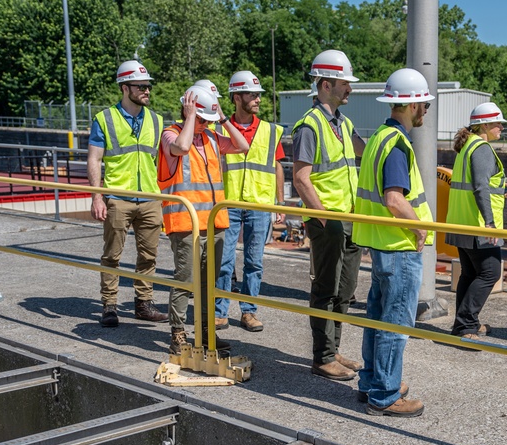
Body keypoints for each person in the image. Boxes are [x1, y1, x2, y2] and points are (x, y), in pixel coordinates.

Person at [352, 68, 435, 417]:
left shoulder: (378, 139)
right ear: (412, 105)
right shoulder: (398, 145)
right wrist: (419, 229)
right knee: (395, 323)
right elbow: (394, 199)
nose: (426, 111)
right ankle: (385, 394)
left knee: (377, 316)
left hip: (381, 244)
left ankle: (372, 381)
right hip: (399, 247)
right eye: (424, 105)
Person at [157, 83, 250, 355]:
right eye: (201, 119)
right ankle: (178, 334)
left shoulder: (210, 136)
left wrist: (221, 118)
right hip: (186, 226)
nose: (203, 125)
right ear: (188, 112)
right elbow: (182, 148)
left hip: (214, 223)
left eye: (206, 121)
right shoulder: (170, 134)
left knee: (210, 284)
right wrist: (189, 119)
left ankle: (207, 333)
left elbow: (242, 145)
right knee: (185, 281)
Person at [291, 50, 367, 381]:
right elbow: (300, 178)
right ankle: (322, 357)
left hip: (349, 219)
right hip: (329, 222)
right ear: (325, 85)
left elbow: (365, 152)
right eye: (344, 83)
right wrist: (322, 217)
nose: (349, 89)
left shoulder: (343, 123)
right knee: (326, 288)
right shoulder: (310, 126)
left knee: (345, 289)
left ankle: (333, 349)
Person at [87, 60, 168, 328]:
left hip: (149, 198)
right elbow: (94, 159)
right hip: (117, 198)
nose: (147, 90)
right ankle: (109, 305)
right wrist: (97, 196)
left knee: (149, 256)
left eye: (148, 86)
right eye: (141, 86)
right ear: (125, 88)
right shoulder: (105, 119)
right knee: (112, 255)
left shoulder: (156, 120)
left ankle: (143, 304)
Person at [214, 70, 285, 333]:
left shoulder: (270, 130)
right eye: (252, 94)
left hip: (260, 205)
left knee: (254, 262)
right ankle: (220, 312)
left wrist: (280, 204)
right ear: (236, 97)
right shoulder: (218, 128)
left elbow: (277, 166)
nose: (257, 99)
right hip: (227, 203)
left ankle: (249, 311)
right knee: (224, 261)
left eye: (258, 95)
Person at [445, 102, 507, 340]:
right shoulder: (482, 148)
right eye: (497, 123)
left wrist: (501, 189)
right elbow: (480, 187)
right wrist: (490, 223)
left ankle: (461, 324)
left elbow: (481, 184)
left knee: (470, 274)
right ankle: (466, 325)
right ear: (484, 124)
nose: (501, 128)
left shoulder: (467, 146)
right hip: (477, 225)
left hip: (461, 221)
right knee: (490, 273)